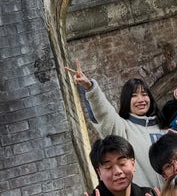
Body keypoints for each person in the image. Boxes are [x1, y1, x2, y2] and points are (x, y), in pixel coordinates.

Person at [66, 60, 168, 189]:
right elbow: (104, 113)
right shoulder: (122, 129)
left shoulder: (166, 129)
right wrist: (90, 88)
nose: (141, 100)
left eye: (144, 94)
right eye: (134, 96)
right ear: (126, 101)